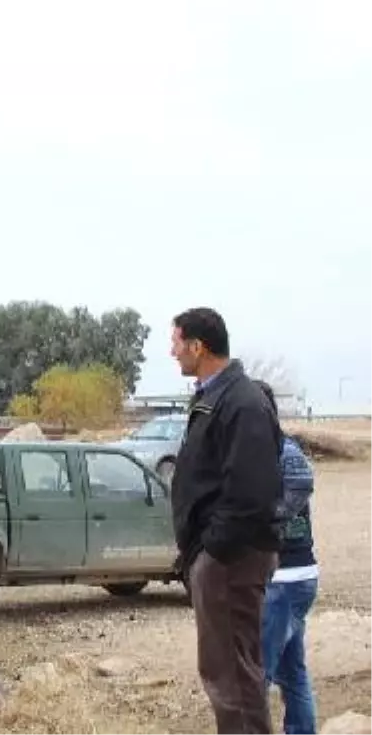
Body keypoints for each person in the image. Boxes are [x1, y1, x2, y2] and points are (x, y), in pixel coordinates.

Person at [169, 306, 283, 734]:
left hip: (232, 559)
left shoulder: (242, 402)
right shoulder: (214, 397)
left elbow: (251, 494)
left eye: (177, 342)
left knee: (233, 675)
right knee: (225, 671)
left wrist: (212, 553)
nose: (172, 352)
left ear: (199, 346)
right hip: (219, 558)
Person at [254, 379, 319, 735]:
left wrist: (260, 522)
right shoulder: (264, 447)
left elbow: (301, 482)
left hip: (286, 578)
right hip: (291, 579)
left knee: (256, 675)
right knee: (292, 673)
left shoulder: (283, 450)